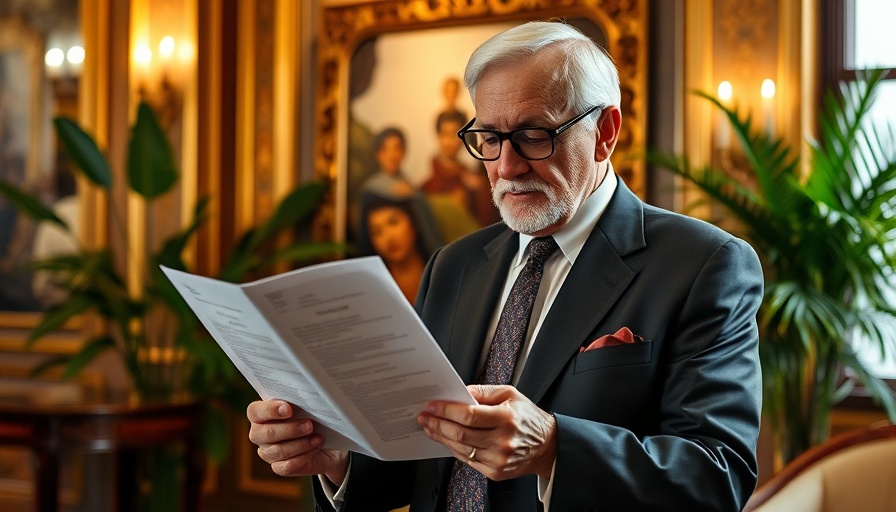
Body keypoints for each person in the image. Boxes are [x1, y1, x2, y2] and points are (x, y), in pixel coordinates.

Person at [247, 20, 763, 511]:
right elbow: (426, 459)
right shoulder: (454, 265)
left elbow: (717, 478)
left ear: (606, 131)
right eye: (489, 139)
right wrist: (338, 462)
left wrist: (555, 449)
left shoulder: (704, 265)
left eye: (534, 134)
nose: (507, 166)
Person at [358, 193, 431, 304]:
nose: (388, 238)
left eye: (393, 222)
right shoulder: (373, 291)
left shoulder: (442, 274)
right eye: (377, 232)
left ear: (413, 224)